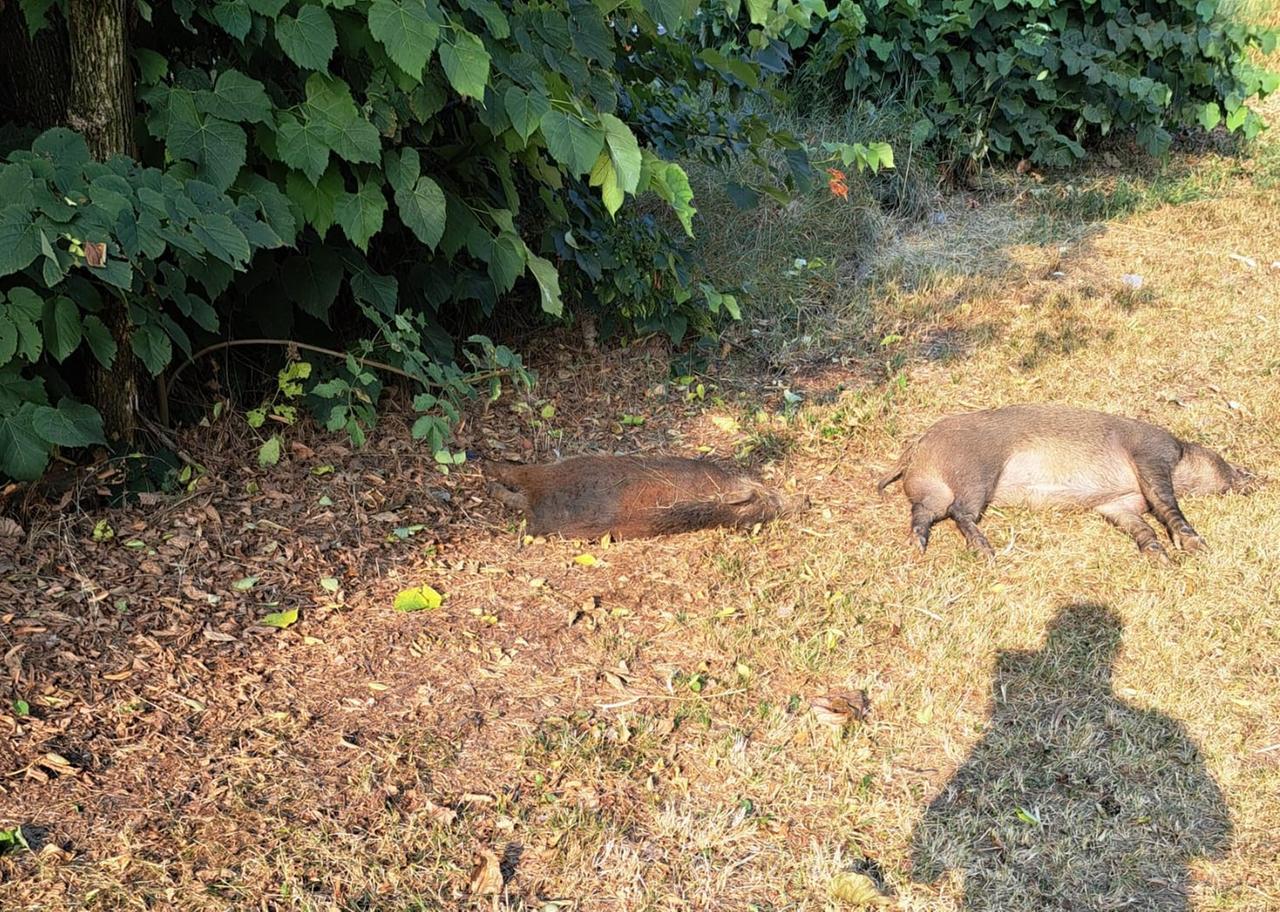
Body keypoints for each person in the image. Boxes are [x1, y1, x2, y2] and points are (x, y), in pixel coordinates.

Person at [910, 602, 1230, 911]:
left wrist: (929, 853)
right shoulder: (1159, 730)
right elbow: (1215, 842)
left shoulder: (1151, 731)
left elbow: (1215, 840)